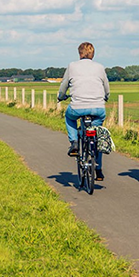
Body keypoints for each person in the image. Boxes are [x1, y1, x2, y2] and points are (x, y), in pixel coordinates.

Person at [58, 42, 110, 181]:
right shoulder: (100, 67)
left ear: (80, 53)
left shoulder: (72, 66)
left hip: (77, 107)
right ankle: (98, 169)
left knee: (69, 118)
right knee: (97, 136)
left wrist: (61, 96)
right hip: (98, 108)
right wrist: (106, 96)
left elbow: (64, 86)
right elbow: (106, 87)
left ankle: (74, 142)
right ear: (93, 54)